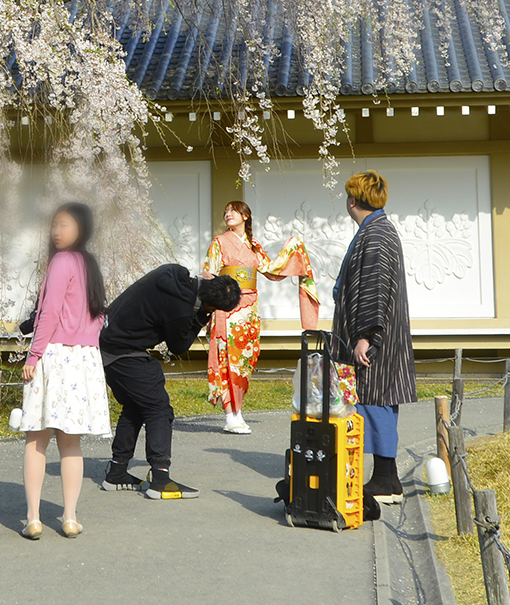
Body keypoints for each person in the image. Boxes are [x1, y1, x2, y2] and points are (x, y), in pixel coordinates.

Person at [96, 263, 242, 500]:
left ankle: (117, 472)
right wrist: (203, 316)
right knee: (159, 409)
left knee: (136, 406)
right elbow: (178, 346)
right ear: (214, 306)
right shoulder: (182, 311)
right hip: (123, 352)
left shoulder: (172, 271)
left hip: (108, 341)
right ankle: (160, 478)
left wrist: (205, 286)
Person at [17, 202, 112, 540]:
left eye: (65, 225)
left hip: (54, 357)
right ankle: (70, 518)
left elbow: (50, 313)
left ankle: (33, 518)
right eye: (54, 225)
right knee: (71, 443)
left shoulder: (61, 261)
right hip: (84, 359)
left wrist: (33, 355)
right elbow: (99, 316)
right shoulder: (90, 264)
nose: (57, 231)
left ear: (81, 229)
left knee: (36, 439)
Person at [201, 200, 320, 434]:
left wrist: (293, 248)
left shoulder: (254, 246)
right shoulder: (219, 243)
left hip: (249, 310)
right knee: (226, 360)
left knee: (245, 361)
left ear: (245, 216)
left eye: (233, 211)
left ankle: (238, 411)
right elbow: (208, 274)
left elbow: (272, 268)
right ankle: (230, 414)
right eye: (225, 211)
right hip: (227, 307)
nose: (228, 214)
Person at [335, 170, 416, 507]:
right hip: (383, 332)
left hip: (376, 335)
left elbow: (375, 288)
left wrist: (366, 335)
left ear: (353, 200)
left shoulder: (376, 234)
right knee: (377, 399)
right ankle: (387, 477)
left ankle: (385, 479)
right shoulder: (378, 229)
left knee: (375, 398)